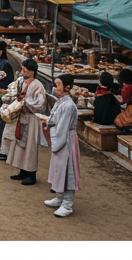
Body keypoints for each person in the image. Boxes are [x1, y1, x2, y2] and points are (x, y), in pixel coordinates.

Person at [43, 73, 82, 218]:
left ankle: (67, 203)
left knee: (68, 170)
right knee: (58, 169)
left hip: (66, 139)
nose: (54, 88)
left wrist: (51, 127)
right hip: (60, 137)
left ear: (67, 87)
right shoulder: (62, 102)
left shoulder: (68, 105)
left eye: (56, 85)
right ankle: (59, 196)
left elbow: (62, 127)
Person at [4, 58, 46, 185]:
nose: (22, 71)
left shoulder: (38, 85)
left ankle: (31, 174)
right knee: (20, 144)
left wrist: (25, 103)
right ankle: (22, 171)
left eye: (25, 69)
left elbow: (41, 104)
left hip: (32, 119)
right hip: (22, 117)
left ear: (32, 71)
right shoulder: (22, 82)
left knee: (30, 147)